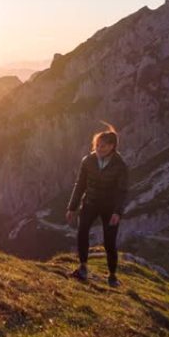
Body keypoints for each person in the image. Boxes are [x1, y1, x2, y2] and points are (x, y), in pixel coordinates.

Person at [66, 123, 129, 287]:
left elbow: (122, 191)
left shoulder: (120, 165)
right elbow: (80, 185)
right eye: (97, 145)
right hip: (90, 202)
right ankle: (83, 267)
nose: (99, 148)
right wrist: (72, 207)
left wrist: (118, 212)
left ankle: (113, 276)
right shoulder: (88, 161)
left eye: (103, 146)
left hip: (110, 207)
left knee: (109, 242)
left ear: (112, 146)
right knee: (82, 231)